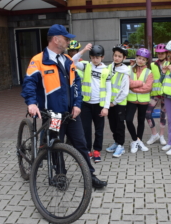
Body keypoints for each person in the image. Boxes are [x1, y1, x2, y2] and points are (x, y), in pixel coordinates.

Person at [21, 24, 107, 189]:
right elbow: (29, 83)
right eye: (66, 38)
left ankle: (90, 175)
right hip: (52, 115)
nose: (68, 41)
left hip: (71, 114)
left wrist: (77, 104)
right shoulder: (38, 60)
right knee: (55, 145)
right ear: (55, 39)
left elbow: (76, 83)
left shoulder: (67, 60)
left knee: (81, 144)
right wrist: (31, 102)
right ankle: (60, 174)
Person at [72, 44, 111, 163]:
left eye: (97, 57)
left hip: (99, 105)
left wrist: (106, 107)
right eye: (93, 57)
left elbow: (109, 90)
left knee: (99, 130)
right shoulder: (86, 66)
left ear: (102, 57)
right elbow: (72, 60)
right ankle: (87, 150)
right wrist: (83, 50)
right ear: (90, 57)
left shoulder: (106, 70)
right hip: (86, 104)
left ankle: (97, 150)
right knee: (86, 129)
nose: (95, 59)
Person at [126, 48, 153, 153]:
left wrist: (133, 86)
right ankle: (134, 140)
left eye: (143, 59)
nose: (140, 60)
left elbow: (148, 87)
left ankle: (139, 140)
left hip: (143, 101)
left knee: (141, 121)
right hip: (131, 99)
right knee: (128, 120)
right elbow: (127, 83)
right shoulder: (129, 69)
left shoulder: (149, 72)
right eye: (139, 58)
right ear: (136, 58)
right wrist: (140, 83)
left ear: (146, 61)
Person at [105, 44, 130, 158]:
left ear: (124, 58)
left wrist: (114, 102)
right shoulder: (109, 67)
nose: (117, 58)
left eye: (120, 56)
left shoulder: (125, 71)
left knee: (119, 125)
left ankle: (121, 146)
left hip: (119, 104)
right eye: (115, 55)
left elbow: (124, 91)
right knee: (112, 124)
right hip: (109, 103)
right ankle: (116, 142)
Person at [145, 43, 167, 146]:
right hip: (155, 93)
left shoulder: (170, 64)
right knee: (148, 113)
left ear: (166, 53)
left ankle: (162, 136)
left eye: (162, 53)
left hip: (166, 94)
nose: (160, 55)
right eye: (158, 53)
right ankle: (154, 134)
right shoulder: (153, 65)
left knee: (163, 116)